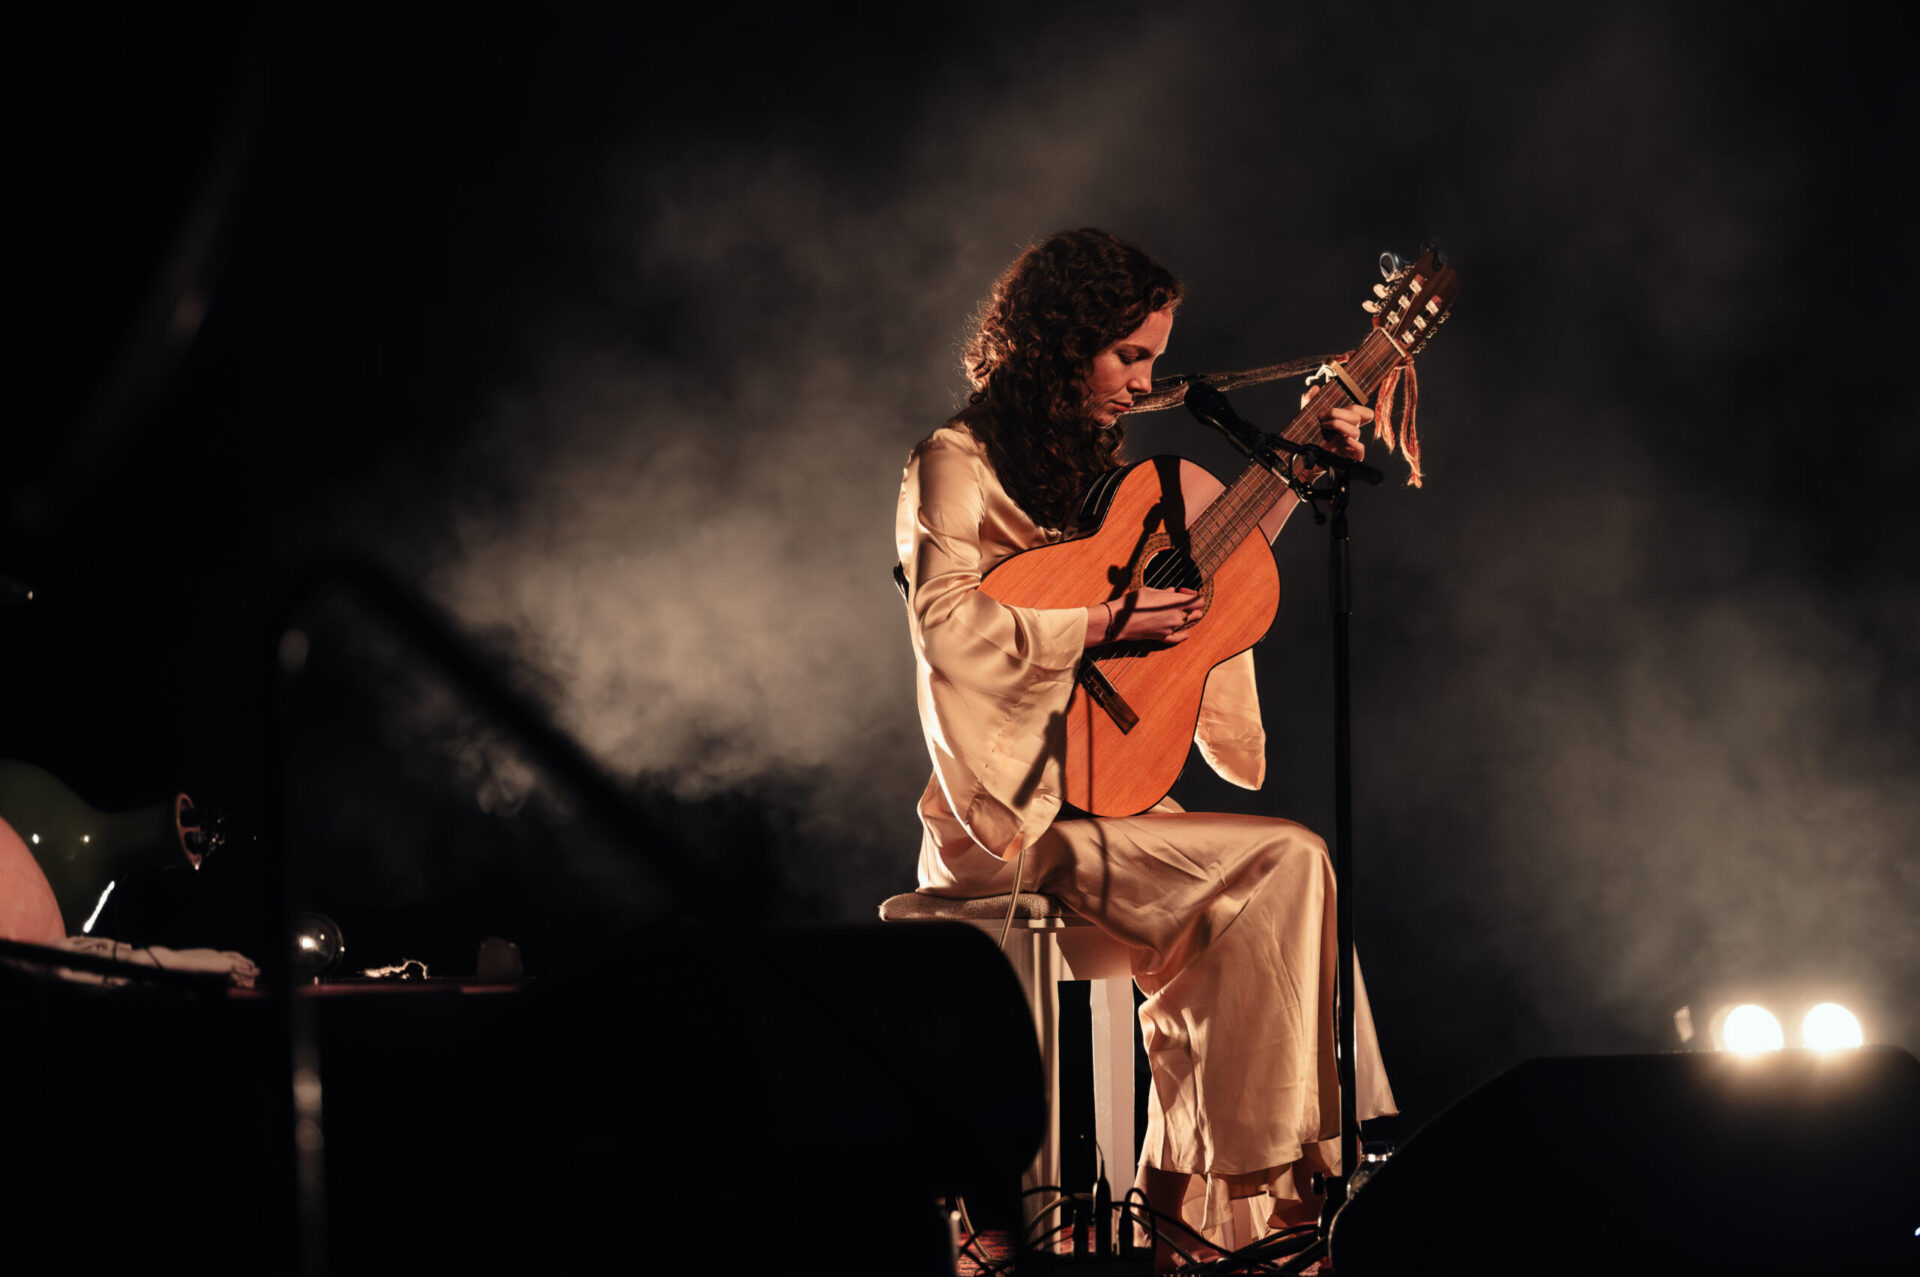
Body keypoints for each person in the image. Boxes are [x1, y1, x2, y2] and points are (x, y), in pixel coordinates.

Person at [894, 228, 1395, 1265]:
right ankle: (1256, 1200)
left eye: (1156, 359)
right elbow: (947, 625)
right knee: (1288, 863)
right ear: (1058, 341)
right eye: (1128, 355)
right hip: (1004, 811)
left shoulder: (1092, 469)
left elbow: (1202, 597)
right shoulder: (955, 460)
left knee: (1271, 897)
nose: (1145, 382)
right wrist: (1103, 625)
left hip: (1101, 793)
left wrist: (1300, 470)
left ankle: (1192, 1207)